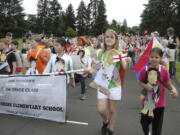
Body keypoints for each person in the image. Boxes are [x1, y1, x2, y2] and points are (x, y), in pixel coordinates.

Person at [89, 29, 131, 135]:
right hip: (102, 84)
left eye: (112, 37)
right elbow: (97, 66)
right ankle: (106, 121)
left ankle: (111, 128)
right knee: (101, 109)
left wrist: (129, 62)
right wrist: (89, 69)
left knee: (112, 109)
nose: (109, 39)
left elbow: (125, 67)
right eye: (107, 37)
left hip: (114, 85)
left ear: (116, 39)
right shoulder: (101, 53)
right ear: (104, 39)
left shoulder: (119, 53)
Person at [138, 47, 179, 135]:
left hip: (160, 103)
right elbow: (140, 82)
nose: (154, 59)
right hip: (147, 102)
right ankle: (147, 133)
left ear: (160, 58)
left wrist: (173, 89)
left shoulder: (164, 71)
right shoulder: (144, 70)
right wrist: (145, 86)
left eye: (156, 57)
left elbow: (168, 84)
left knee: (157, 128)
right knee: (144, 122)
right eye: (152, 57)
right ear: (149, 57)